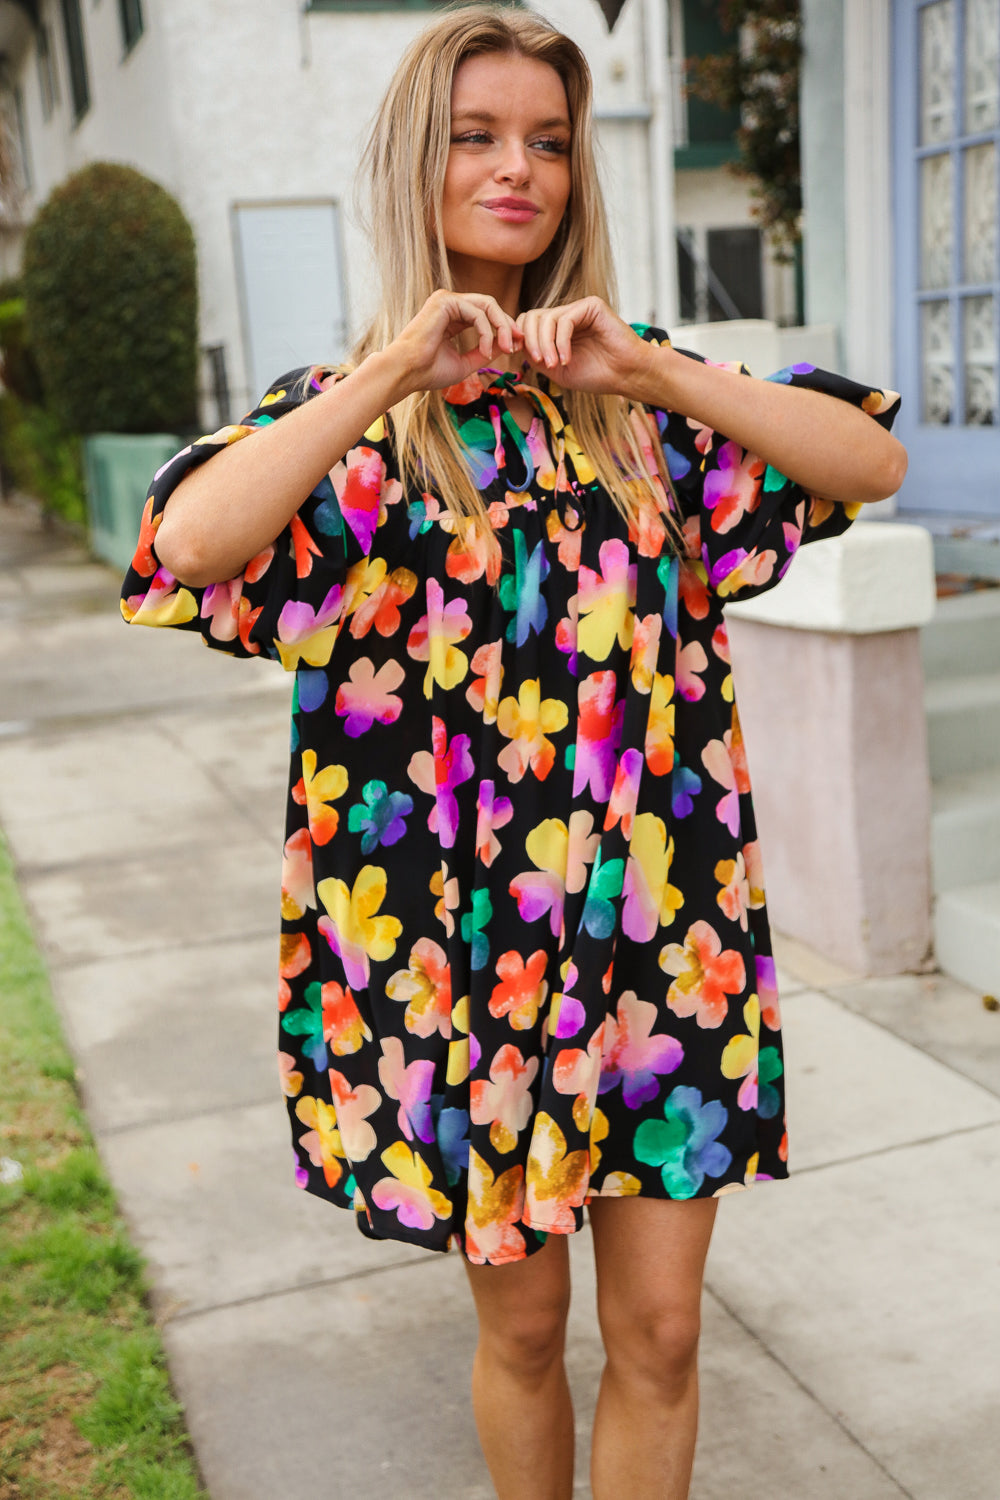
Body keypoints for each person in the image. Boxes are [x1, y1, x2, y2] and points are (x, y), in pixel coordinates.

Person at [121, 5, 905, 1496]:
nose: (516, 169)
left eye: (548, 141)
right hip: (464, 952)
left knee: (663, 1332)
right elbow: (194, 545)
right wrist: (396, 370)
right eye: (476, 136)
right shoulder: (353, 429)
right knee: (531, 1331)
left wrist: (648, 370)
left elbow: (869, 459)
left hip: (661, 938)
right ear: (416, 160)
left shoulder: (637, 403)